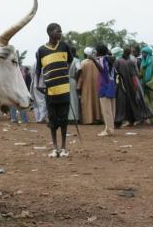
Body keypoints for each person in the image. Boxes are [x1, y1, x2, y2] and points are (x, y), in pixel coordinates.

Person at [35, 23, 74, 158]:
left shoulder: (64, 46)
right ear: (50, 33)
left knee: (64, 120)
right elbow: (38, 70)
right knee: (52, 121)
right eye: (58, 31)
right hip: (50, 91)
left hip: (64, 90)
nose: (61, 33)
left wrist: (65, 73)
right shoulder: (41, 50)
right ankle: (55, 147)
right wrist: (37, 85)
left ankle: (63, 147)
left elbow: (70, 60)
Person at [94, 44, 116, 136]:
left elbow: (102, 70)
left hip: (104, 85)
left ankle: (109, 130)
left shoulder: (102, 59)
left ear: (99, 52)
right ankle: (109, 127)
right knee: (111, 109)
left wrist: (94, 61)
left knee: (106, 110)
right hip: (111, 85)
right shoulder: (110, 59)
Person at [77, 47, 103, 125]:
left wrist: (78, 86)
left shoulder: (83, 63)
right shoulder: (97, 62)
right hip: (97, 86)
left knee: (87, 102)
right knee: (96, 102)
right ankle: (98, 118)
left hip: (86, 87)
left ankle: (89, 120)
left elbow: (81, 76)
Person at [67, 45, 82, 124]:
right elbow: (79, 68)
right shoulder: (76, 60)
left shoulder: (65, 59)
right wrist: (76, 77)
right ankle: (75, 117)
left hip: (65, 80)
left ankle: (69, 117)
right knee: (74, 98)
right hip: (73, 80)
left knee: (68, 97)